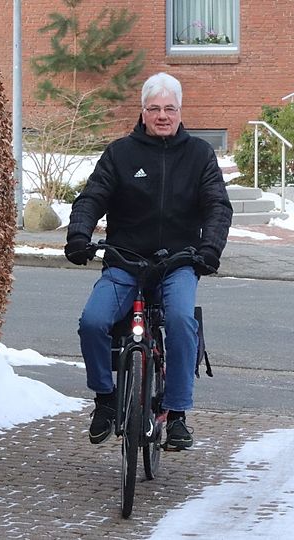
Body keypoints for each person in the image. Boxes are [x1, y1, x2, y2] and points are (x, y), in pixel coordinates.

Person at [64, 72, 233, 450]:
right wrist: (79, 236)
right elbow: (92, 197)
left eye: (169, 108)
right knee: (93, 322)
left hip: (179, 261)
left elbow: (218, 206)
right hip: (125, 260)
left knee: (180, 321)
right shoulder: (120, 154)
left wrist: (209, 250)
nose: (162, 115)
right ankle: (105, 400)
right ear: (142, 111)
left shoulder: (199, 155)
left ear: (180, 111)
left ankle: (176, 414)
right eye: (154, 108)